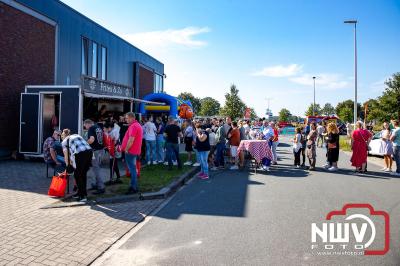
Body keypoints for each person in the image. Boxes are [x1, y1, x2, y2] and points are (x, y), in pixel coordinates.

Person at [61, 129, 92, 202]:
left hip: (81, 154)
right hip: (89, 152)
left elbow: (66, 156)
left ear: (63, 136)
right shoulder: (76, 135)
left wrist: (68, 167)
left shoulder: (64, 142)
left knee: (77, 175)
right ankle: (81, 193)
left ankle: (82, 196)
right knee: (83, 174)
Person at [121, 112, 143, 194]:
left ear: (131, 118)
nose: (125, 119)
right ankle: (133, 186)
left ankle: (133, 187)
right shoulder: (136, 125)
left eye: (126, 118)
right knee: (133, 169)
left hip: (131, 151)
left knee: (132, 170)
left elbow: (131, 140)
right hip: (134, 150)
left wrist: (126, 149)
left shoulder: (133, 126)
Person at [84, 119, 105, 195]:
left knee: (96, 169)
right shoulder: (98, 127)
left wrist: (84, 144)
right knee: (97, 168)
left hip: (95, 151)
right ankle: (97, 184)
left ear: (87, 124)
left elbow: (92, 140)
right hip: (101, 150)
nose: (85, 127)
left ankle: (101, 187)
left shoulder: (91, 128)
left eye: (85, 125)